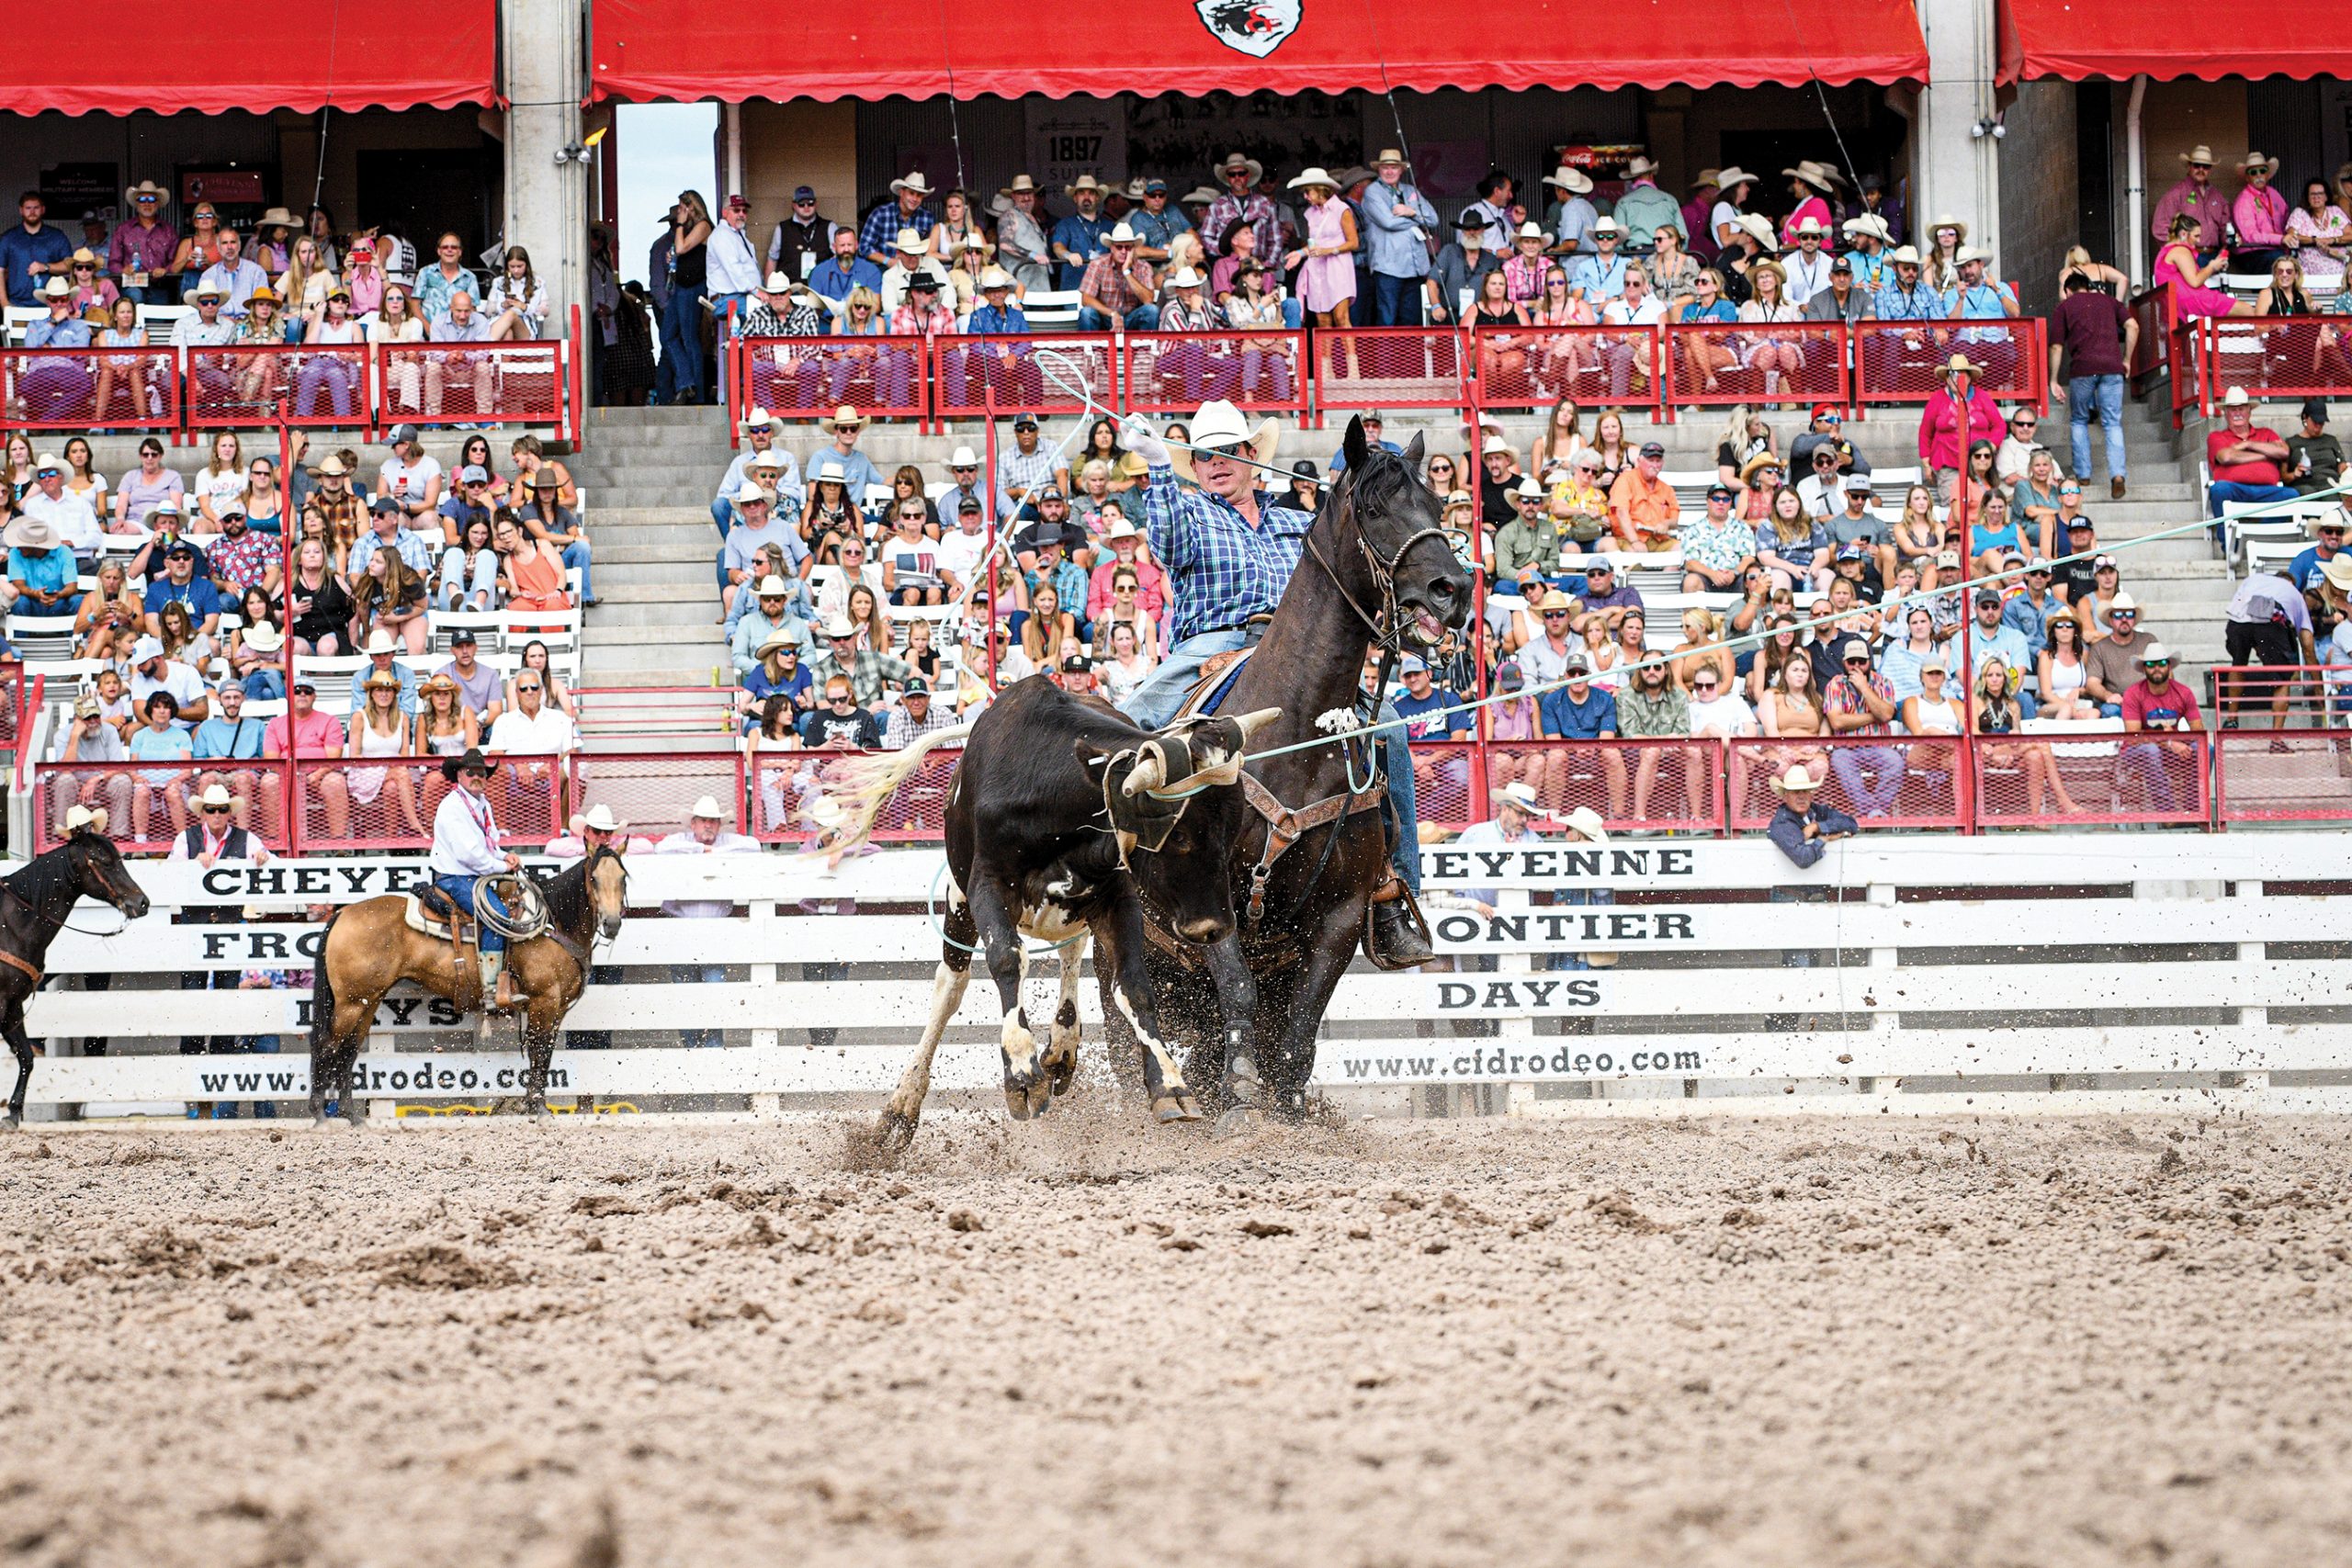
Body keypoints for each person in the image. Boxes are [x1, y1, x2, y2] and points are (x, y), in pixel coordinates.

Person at [1122, 400, 1430, 962]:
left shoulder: (1297, 523)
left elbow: (1351, 565)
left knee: (1389, 730)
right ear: (1193, 468)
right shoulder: (1190, 514)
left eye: (1228, 452)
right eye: (1203, 457)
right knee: (1133, 724)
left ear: (1251, 458)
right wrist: (1157, 468)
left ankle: (1392, 891)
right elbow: (1164, 544)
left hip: (1301, 659)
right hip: (1211, 647)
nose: (1216, 464)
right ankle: (1103, 870)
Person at [653, 795, 758, 1048]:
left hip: (715, 933)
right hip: (681, 931)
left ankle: (712, 1051)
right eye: (704, 821)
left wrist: (715, 851)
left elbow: (754, 846)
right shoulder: (679, 843)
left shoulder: (728, 842)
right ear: (694, 824)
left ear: (720, 825)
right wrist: (701, 850)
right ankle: (692, 1049)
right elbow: (661, 848)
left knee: (714, 994)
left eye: (713, 821)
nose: (709, 825)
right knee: (685, 995)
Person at [426, 748, 522, 1010]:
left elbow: (488, 847)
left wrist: (505, 857)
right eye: (471, 771)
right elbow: (470, 855)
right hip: (455, 878)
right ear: (459, 775)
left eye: (481, 772)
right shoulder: (453, 807)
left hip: (471, 874)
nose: (477, 776)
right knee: (498, 914)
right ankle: (490, 991)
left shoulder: (482, 804)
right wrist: (501, 866)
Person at [2051, 269, 2138, 499]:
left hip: (2082, 370)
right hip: (2112, 368)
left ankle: (2083, 474)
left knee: (2079, 419)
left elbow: (2057, 346)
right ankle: (2118, 475)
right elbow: (2133, 326)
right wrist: (2126, 359)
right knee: (2112, 423)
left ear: (2068, 290)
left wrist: (2053, 379)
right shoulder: (2108, 301)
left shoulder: (2065, 307)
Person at [2222, 569, 2319, 733]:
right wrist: (2318, 684)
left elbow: (2245, 611)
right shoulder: (2294, 593)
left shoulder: (2254, 579)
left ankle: (2231, 719)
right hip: (2271, 619)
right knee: (2282, 678)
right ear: (2291, 583)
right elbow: (2308, 646)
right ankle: (2276, 737)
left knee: (2238, 664)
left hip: (2238, 620)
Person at [1823, 638, 1902, 818]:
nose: (1857, 666)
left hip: (1879, 747)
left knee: (1895, 762)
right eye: (1852, 662)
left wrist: (1864, 688)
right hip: (1847, 749)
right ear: (1844, 663)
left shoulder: (1883, 683)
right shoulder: (1835, 684)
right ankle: (1871, 812)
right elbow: (1837, 722)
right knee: (1839, 760)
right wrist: (1875, 717)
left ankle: (1876, 811)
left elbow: (1887, 715)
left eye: (1862, 661)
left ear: (1869, 661)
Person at [2119, 643, 2200, 811]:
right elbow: (2133, 737)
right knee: (2150, 750)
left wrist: (2175, 741)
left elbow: (2198, 732)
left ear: (2169, 666)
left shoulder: (2183, 692)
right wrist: (2168, 742)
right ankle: (2167, 814)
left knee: (2204, 748)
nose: (2157, 668)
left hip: (2170, 750)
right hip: (2138, 751)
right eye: (2150, 664)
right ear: (2144, 669)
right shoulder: (2133, 693)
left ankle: (2193, 810)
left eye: (2162, 663)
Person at [1359, 151, 1436, 327]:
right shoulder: (1372, 192)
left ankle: (1408, 356)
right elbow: (1388, 222)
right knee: (1387, 318)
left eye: (1394, 167)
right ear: (1379, 170)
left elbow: (1433, 219)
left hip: (1414, 267)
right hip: (1388, 267)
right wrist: (1416, 223)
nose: (1389, 171)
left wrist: (1412, 212)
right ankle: (1385, 356)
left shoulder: (1410, 190)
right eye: (1385, 167)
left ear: (1401, 170)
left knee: (1411, 319)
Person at [2207, 387, 2300, 518]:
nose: (2237, 413)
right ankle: (2227, 538)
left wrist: (2248, 444)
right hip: (2234, 489)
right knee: (2219, 489)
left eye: (2241, 409)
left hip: (2267, 491)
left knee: (2291, 495)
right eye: (2233, 409)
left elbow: (2284, 452)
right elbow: (2226, 457)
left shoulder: (2266, 433)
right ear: (2226, 413)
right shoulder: (2217, 436)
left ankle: (2264, 536)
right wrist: (2265, 454)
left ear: (2249, 411)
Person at [1764, 764, 1859, 869]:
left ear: (1810, 794)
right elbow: (1803, 859)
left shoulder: (1816, 810)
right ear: (1785, 797)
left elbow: (1851, 824)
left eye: (1805, 791)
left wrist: (1817, 827)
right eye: (1795, 792)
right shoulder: (1782, 822)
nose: (1801, 797)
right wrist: (1823, 838)